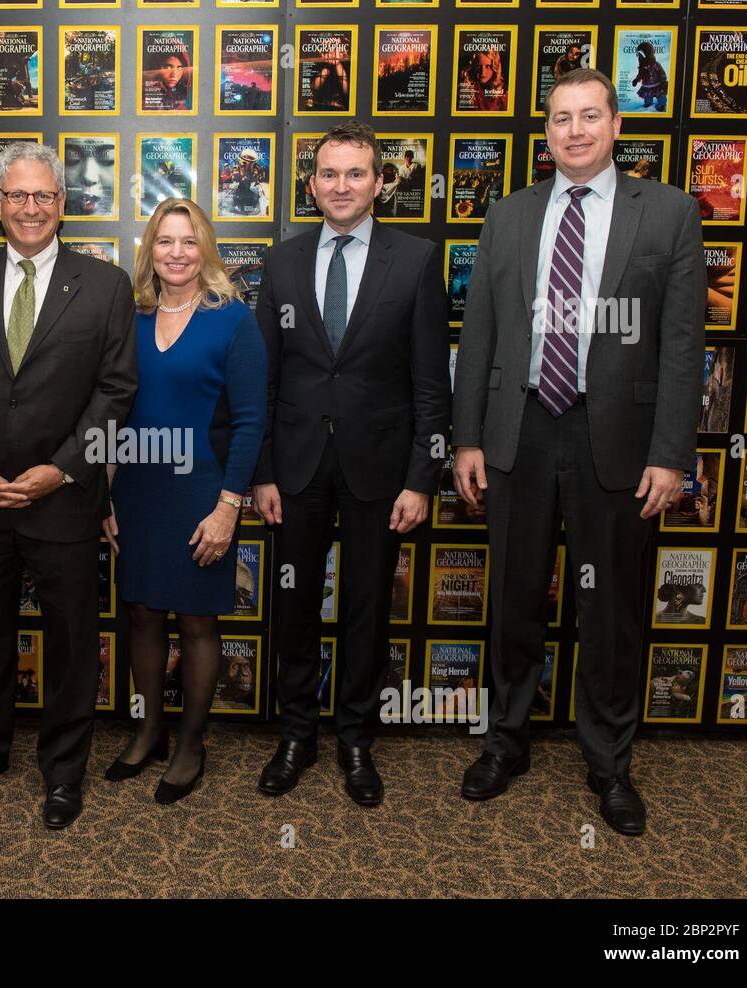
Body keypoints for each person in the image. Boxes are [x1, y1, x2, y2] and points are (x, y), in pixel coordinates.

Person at [452, 69, 704, 836]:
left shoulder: (668, 213)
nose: (575, 131)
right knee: (514, 599)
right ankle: (506, 742)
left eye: (589, 116)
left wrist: (671, 454)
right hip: (520, 433)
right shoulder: (509, 214)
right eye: (561, 119)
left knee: (613, 611)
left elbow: (682, 343)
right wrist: (468, 437)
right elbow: (481, 334)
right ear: (547, 131)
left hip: (618, 442)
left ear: (617, 124)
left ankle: (609, 762)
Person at [0, 141, 137, 830]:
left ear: (63, 204)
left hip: (65, 503)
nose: (30, 208)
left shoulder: (103, 285)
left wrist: (64, 467)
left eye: (43, 195)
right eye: (16, 195)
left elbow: (115, 392)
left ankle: (64, 771)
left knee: (72, 642)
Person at [252, 121, 451, 805]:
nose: (342, 186)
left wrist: (422, 478)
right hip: (297, 470)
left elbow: (433, 384)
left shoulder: (418, 260)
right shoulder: (281, 262)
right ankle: (297, 735)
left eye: (356, 173)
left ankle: (357, 740)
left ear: (379, 183)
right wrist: (263, 471)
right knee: (294, 604)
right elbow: (265, 380)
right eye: (329, 175)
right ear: (312, 186)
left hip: (381, 469)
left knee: (368, 609)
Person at [103, 198, 266, 804]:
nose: (176, 252)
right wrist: (104, 493)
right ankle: (149, 730)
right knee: (142, 614)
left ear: (206, 250)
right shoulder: (130, 317)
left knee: (197, 621)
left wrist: (229, 507)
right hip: (138, 490)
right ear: (150, 249)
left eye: (189, 240)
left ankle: (192, 744)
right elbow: (110, 412)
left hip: (203, 492)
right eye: (165, 241)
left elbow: (251, 422)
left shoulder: (232, 321)